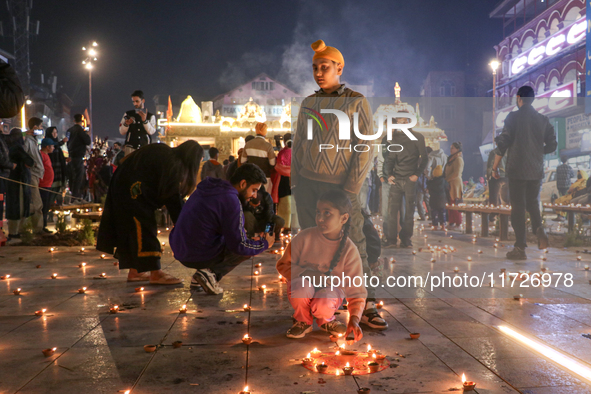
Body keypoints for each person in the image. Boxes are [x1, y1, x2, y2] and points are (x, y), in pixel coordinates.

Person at [292, 39, 387, 330]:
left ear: (339, 68)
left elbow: (365, 146)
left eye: (325, 67)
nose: (319, 72)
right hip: (309, 187)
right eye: (315, 68)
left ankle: (367, 305)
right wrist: (296, 186)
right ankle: (317, 311)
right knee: (313, 247)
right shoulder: (309, 103)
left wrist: (351, 188)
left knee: (355, 244)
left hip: (342, 188)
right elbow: (298, 146)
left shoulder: (356, 101)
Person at [97, 141, 204, 284]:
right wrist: (186, 224)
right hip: (133, 191)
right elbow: (172, 197)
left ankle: (135, 271)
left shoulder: (165, 153)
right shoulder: (172, 162)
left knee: (133, 228)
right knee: (145, 226)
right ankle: (156, 273)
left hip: (123, 187)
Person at [169, 163, 274, 294]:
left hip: (179, 248)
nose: (254, 195)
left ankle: (200, 278)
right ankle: (210, 274)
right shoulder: (230, 199)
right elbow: (239, 245)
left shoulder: (208, 189)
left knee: (239, 237)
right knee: (244, 246)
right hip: (195, 253)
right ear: (242, 184)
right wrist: (264, 243)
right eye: (254, 190)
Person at [276, 190, 366, 340]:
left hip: (329, 294)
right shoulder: (304, 238)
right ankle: (302, 321)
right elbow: (283, 265)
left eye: (327, 213)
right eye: (318, 213)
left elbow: (356, 290)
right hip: (302, 288)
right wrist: (305, 273)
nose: (320, 218)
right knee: (300, 287)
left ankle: (326, 320)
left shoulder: (349, 250)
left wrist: (354, 320)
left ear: (343, 218)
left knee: (325, 301)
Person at [492, 85, 557, 260]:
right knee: (533, 203)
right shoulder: (543, 119)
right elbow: (552, 145)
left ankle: (520, 248)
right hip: (536, 170)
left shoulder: (512, 117)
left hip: (517, 169)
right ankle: (539, 228)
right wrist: (537, 152)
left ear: (519, 98)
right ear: (533, 100)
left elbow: (503, 142)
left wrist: (494, 167)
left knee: (518, 207)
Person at [383, 114, 428, 247]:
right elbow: (390, 158)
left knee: (409, 211)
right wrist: (389, 174)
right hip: (396, 179)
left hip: (410, 179)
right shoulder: (394, 138)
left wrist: (416, 175)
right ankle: (391, 239)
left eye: (404, 122)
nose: (401, 124)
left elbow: (424, 158)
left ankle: (406, 239)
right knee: (392, 211)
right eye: (398, 122)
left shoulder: (418, 137)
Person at [5, 128, 34, 243]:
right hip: (20, 181)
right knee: (20, 205)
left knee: (13, 205)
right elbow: (30, 161)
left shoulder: (7, 146)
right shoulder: (17, 148)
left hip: (11, 180)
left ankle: (15, 230)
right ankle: (17, 231)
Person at [119, 90, 156, 156]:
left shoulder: (150, 116)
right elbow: (122, 132)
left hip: (145, 147)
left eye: (137, 101)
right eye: (133, 101)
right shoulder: (128, 114)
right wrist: (126, 124)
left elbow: (151, 131)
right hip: (130, 147)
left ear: (143, 101)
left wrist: (145, 121)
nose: (135, 104)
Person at [240, 123, 276, 192]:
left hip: (251, 178)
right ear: (265, 132)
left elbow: (242, 161)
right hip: (265, 177)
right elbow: (272, 163)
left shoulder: (248, 144)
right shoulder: (268, 146)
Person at [24, 117, 45, 233]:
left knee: (36, 203)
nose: (41, 129)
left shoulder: (33, 140)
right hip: (32, 174)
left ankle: (32, 228)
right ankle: (37, 229)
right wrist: (32, 164)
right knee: (37, 204)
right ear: (35, 127)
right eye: (41, 127)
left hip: (36, 174)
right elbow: (23, 155)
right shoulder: (28, 140)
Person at [66, 114, 90, 199]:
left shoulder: (69, 130)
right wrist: (86, 133)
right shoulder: (80, 130)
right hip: (78, 156)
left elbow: (67, 141)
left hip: (70, 156)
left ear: (74, 120)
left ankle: (72, 194)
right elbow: (87, 141)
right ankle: (76, 196)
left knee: (72, 177)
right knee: (78, 177)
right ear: (82, 120)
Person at [271, 133, 292, 233]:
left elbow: (277, 166)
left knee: (285, 203)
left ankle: (285, 226)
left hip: (283, 180)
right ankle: (293, 226)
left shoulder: (282, 152)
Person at [44, 127, 67, 206]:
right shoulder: (48, 146)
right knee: (51, 195)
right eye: (53, 132)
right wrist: (61, 142)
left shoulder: (57, 146)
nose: (55, 134)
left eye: (56, 132)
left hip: (59, 174)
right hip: (51, 175)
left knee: (58, 194)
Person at [444, 142, 464, 228]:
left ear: (457, 149)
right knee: (449, 203)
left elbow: (457, 173)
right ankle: (451, 221)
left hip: (455, 184)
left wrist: (447, 180)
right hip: (449, 183)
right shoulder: (451, 159)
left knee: (455, 203)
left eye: (453, 148)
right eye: (450, 148)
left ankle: (458, 222)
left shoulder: (458, 159)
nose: (451, 149)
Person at [39, 138, 55, 233]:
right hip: (43, 185)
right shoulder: (41, 155)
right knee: (43, 207)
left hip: (47, 185)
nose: (53, 148)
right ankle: (42, 226)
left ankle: (44, 226)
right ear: (47, 147)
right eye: (52, 146)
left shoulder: (46, 155)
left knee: (46, 206)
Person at [427, 165, 447, 230]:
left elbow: (428, 189)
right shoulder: (444, 181)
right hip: (442, 199)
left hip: (433, 199)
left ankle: (435, 225)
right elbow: (447, 188)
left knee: (434, 213)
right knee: (442, 212)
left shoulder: (431, 182)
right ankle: (443, 225)